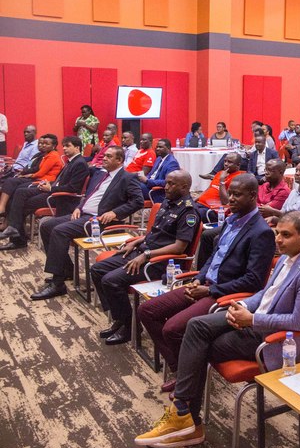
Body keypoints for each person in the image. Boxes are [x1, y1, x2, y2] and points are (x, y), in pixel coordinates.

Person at [134, 211, 300, 448]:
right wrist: (242, 306)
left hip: (277, 340)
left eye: (286, 235)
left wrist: (252, 319)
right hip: (256, 321)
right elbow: (265, 294)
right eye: (278, 233)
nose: (278, 240)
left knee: (201, 345)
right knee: (195, 327)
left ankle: (186, 418)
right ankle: (184, 414)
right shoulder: (289, 257)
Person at [140, 175, 275, 391]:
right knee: (147, 311)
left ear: (252, 196)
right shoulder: (231, 221)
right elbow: (214, 258)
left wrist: (209, 289)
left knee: (172, 329)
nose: (230, 199)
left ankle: (188, 379)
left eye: (236, 195)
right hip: (205, 285)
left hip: (221, 295)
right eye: (230, 193)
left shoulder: (261, 232)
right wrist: (198, 278)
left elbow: (254, 281)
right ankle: (183, 370)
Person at [91, 171, 200, 345]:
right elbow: (156, 232)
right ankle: (120, 318)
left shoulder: (188, 211)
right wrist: (136, 242)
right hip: (144, 252)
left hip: (160, 262)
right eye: (167, 183)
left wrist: (146, 255)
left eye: (172, 184)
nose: (166, 187)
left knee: (110, 281)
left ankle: (129, 328)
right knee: (96, 270)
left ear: (185, 187)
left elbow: (180, 247)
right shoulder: (168, 202)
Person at [32, 146, 144, 301]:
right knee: (46, 226)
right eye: (104, 155)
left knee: (59, 231)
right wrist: (78, 207)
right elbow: (87, 196)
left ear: (119, 160)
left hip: (101, 221)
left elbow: (138, 202)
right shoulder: (99, 175)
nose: (104, 158)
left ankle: (58, 284)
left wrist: (115, 213)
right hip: (83, 215)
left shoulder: (127, 178)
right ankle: (66, 270)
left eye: (109, 156)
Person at [0, 136, 88, 250]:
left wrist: (50, 189)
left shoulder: (80, 163)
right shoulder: (71, 161)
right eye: (64, 146)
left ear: (77, 148)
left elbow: (73, 188)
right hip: (52, 190)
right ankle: (15, 231)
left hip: (60, 198)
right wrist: (49, 184)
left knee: (19, 202)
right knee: (18, 195)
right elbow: (59, 180)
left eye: (68, 146)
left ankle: (17, 237)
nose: (65, 149)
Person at [0, 134, 63, 220]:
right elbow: (32, 167)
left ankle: (12, 223)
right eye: (41, 143)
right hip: (36, 179)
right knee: (12, 186)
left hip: (44, 182)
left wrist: (29, 175)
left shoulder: (52, 156)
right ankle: (8, 222)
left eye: (46, 144)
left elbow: (40, 172)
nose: (42, 145)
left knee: (16, 188)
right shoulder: (42, 155)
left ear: (54, 146)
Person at [195, 153, 244, 221]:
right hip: (200, 204)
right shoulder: (220, 173)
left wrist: (222, 181)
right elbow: (208, 189)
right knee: (182, 209)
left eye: (229, 162)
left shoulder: (239, 178)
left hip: (213, 210)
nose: (226, 164)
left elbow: (225, 202)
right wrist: (193, 200)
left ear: (238, 165)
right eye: (225, 161)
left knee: (190, 215)